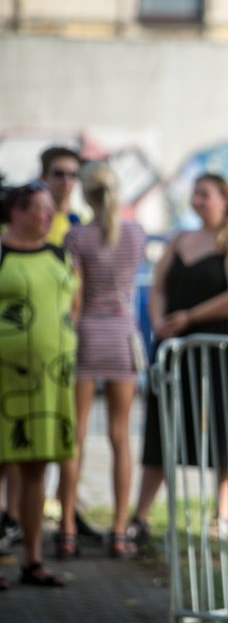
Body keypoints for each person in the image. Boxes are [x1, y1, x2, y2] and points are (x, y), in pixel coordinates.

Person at [128, 173, 228, 544]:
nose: (197, 200)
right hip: (174, 350)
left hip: (218, 350)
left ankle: (221, 513)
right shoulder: (180, 239)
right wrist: (158, 322)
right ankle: (141, 515)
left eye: (205, 194)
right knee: (161, 429)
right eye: (195, 194)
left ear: (224, 199)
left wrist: (190, 318)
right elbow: (158, 288)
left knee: (223, 425)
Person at [59, 161, 146, 559]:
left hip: (88, 336)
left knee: (74, 438)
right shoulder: (135, 234)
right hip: (123, 337)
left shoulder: (77, 237)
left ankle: (67, 529)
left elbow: (74, 298)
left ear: (87, 195)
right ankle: (118, 530)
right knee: (120, 436)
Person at [0, 181, 78, 587]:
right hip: (5, 380)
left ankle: (32, 560)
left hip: (51, 381)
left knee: (36, 467)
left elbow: (71, 308)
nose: (49, 217)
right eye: (41, 209)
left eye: (51, 210)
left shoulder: (59, 253)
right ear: (17, 212)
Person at [40, 146, 84, 247]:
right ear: (44, 177)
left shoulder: (85, 221)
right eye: (59, 174)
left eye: (73, 174)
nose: (66, 181)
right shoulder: (33, 222)